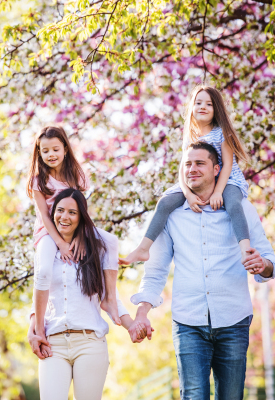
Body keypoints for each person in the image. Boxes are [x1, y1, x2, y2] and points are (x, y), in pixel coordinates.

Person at [128, 142, 275, 399]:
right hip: (188, 322)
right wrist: (142, 311)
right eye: (188, 164)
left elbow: (269, 259)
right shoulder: (172, 215)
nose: (192, 169)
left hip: (233, 320)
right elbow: (155, 271)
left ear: (217, 169)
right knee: (193, 395)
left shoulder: (241, 208)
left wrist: (262, 265)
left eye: (200, 163)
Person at [27, 188, 146, 400]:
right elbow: (41, 295)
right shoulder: (45, 249)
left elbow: (111, 298)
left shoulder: (93, 251)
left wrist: (132, 325)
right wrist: (33, 330)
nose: (64, 217)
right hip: (53, 344)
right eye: (60, 210)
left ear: (81, 217)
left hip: (89, 343)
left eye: (72, 212)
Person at [120, 85, 252, 266]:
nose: (203, 107)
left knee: (233, 204)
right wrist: (188, 194)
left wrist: (217, 192)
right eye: (198, 103)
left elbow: (228, 164)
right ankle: (143, 249)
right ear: (192, 107)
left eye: (209, 104)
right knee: (165, 203)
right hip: (198, 180)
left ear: (217, 109)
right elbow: (183, 168)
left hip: (226, 180)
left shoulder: (222, 133)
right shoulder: (190, 135)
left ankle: (246, 250)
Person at [27, 125, 121, 324]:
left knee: (111, 241)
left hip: (76, 228)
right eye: (45, 151)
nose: (51, 154)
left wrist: (80, 236)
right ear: (39, 153)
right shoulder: (38, 181)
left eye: (55, 149)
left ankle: (110, 298)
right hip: (48, 231)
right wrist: (60, 243)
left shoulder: (76, 176)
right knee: (43, 270)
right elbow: (44, 216)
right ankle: (39, 322)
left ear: (65, 149)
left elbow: (81, 210)